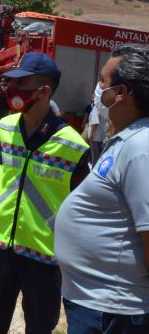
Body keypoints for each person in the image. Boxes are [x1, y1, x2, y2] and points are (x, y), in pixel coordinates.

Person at [0, 52, 90, 334]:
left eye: (22, 84)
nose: (13, 90)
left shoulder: (73, 146)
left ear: (44, 91)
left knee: (39, 327)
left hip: (44, 257)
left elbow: (82, 206)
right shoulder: (5, 128)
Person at [54, 44, 149, 334]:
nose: (97, 89)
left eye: (103, 82)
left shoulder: (141, 147)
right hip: (96, 304)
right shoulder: (126, 140)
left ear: (120, 93)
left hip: (112, 310)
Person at [88, 82, 110, 165]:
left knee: (95, 156)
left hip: (96, 136)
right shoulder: (106, 107)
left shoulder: (97, 106)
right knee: (101, 156)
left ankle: (94, 170)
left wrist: (91, 134)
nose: (93, 97)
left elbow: (94, 122)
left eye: (94, 95)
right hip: (103, 136)